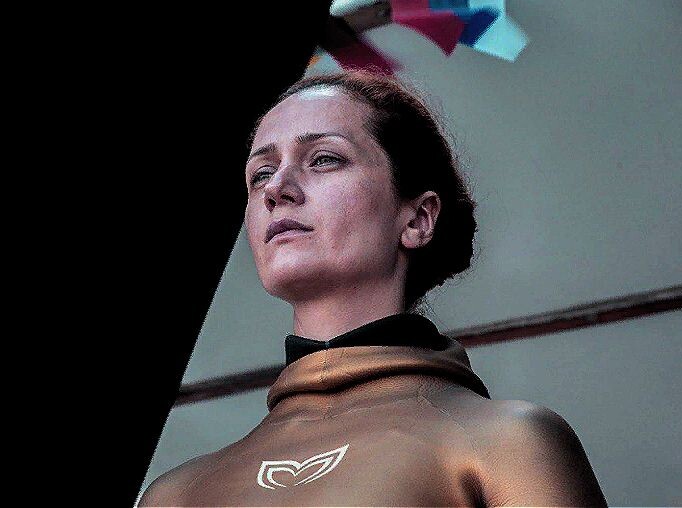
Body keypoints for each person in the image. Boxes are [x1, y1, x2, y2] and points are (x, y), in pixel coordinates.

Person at [139, 69, 608, 507]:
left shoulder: (508, 442)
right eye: (260, 173)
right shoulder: (172, 495)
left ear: (418, 219)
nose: (276, 189)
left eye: (324, 159)